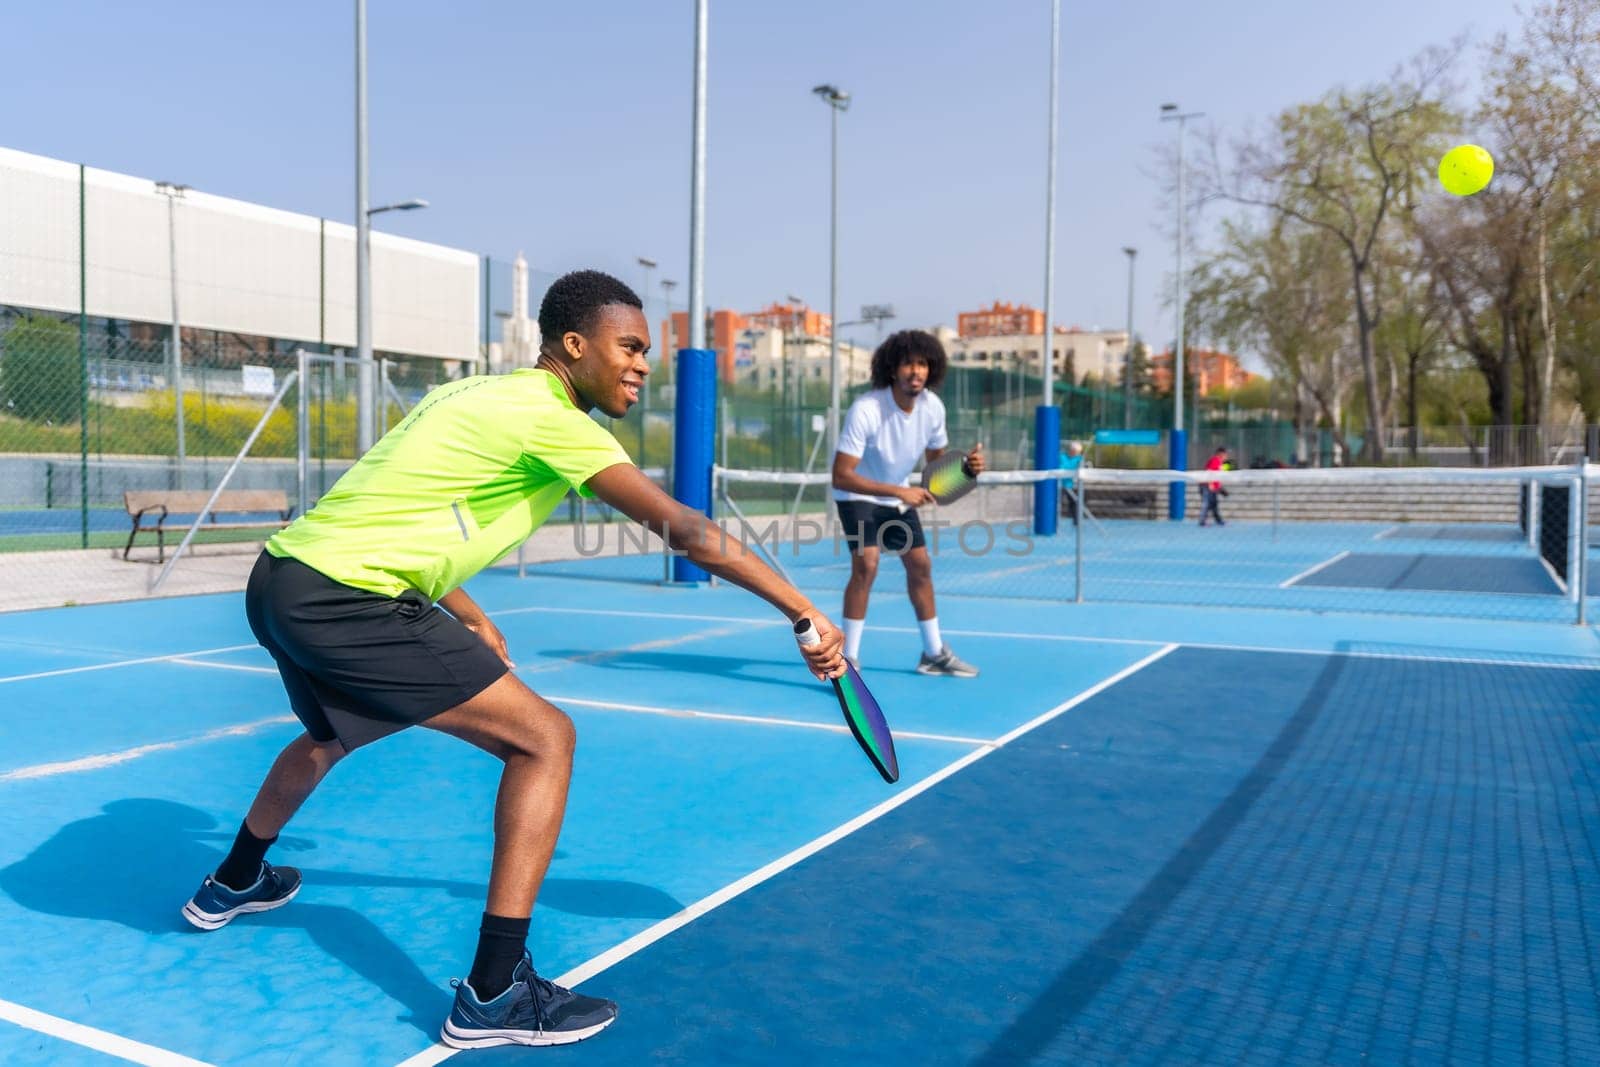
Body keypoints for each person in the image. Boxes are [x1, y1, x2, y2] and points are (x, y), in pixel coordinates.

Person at [180, 270, 844, 1049]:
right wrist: (801, 611)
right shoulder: (557, 419)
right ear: (573, 345)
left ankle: (232, 880)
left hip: (281, 579)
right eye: (628, 346)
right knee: (544, 738)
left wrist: (464, 608)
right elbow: (686, 530)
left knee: (331, 735)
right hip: (346, 598)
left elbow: (398, 503)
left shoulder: (468, 396)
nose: (642, 365)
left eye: (648, 353)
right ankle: (493, 993)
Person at [831, 329, 983, 676]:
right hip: (857, 494)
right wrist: (899, 492)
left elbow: (937, 468)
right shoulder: (866, 409)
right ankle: (848, 658)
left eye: (923, 364)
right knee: (867, 565)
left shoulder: (932, 408)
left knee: (920, 566)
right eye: (908, 364)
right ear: (892, 369)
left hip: (896, 496)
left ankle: (933, 653)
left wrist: (966, 470)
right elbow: (841, 475)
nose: (916, 371)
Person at [1199, 445, 1230, 526]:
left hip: (1213, 487)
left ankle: (1218, 520)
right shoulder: (1215, 460)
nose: (1226, 457)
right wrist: (1210, 484)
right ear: (1221, 454)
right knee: (1206, 503)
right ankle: (1202, 521)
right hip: (1207, 486)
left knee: (1214, 504)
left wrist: (1220, 488)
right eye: (1225, 455)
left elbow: (1217, 476)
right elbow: (1209, 472)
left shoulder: (1220, 463)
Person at [1059, 439, 1086, 522]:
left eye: (1077, 452)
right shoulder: (1061, 456)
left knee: (1074, 502)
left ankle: (1076, 520)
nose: (1075, 453)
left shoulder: (1079, 459)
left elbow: (1081, 467)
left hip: (1069, 485)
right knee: (1056, 502)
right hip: (1059, 484)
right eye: (1074, 451)